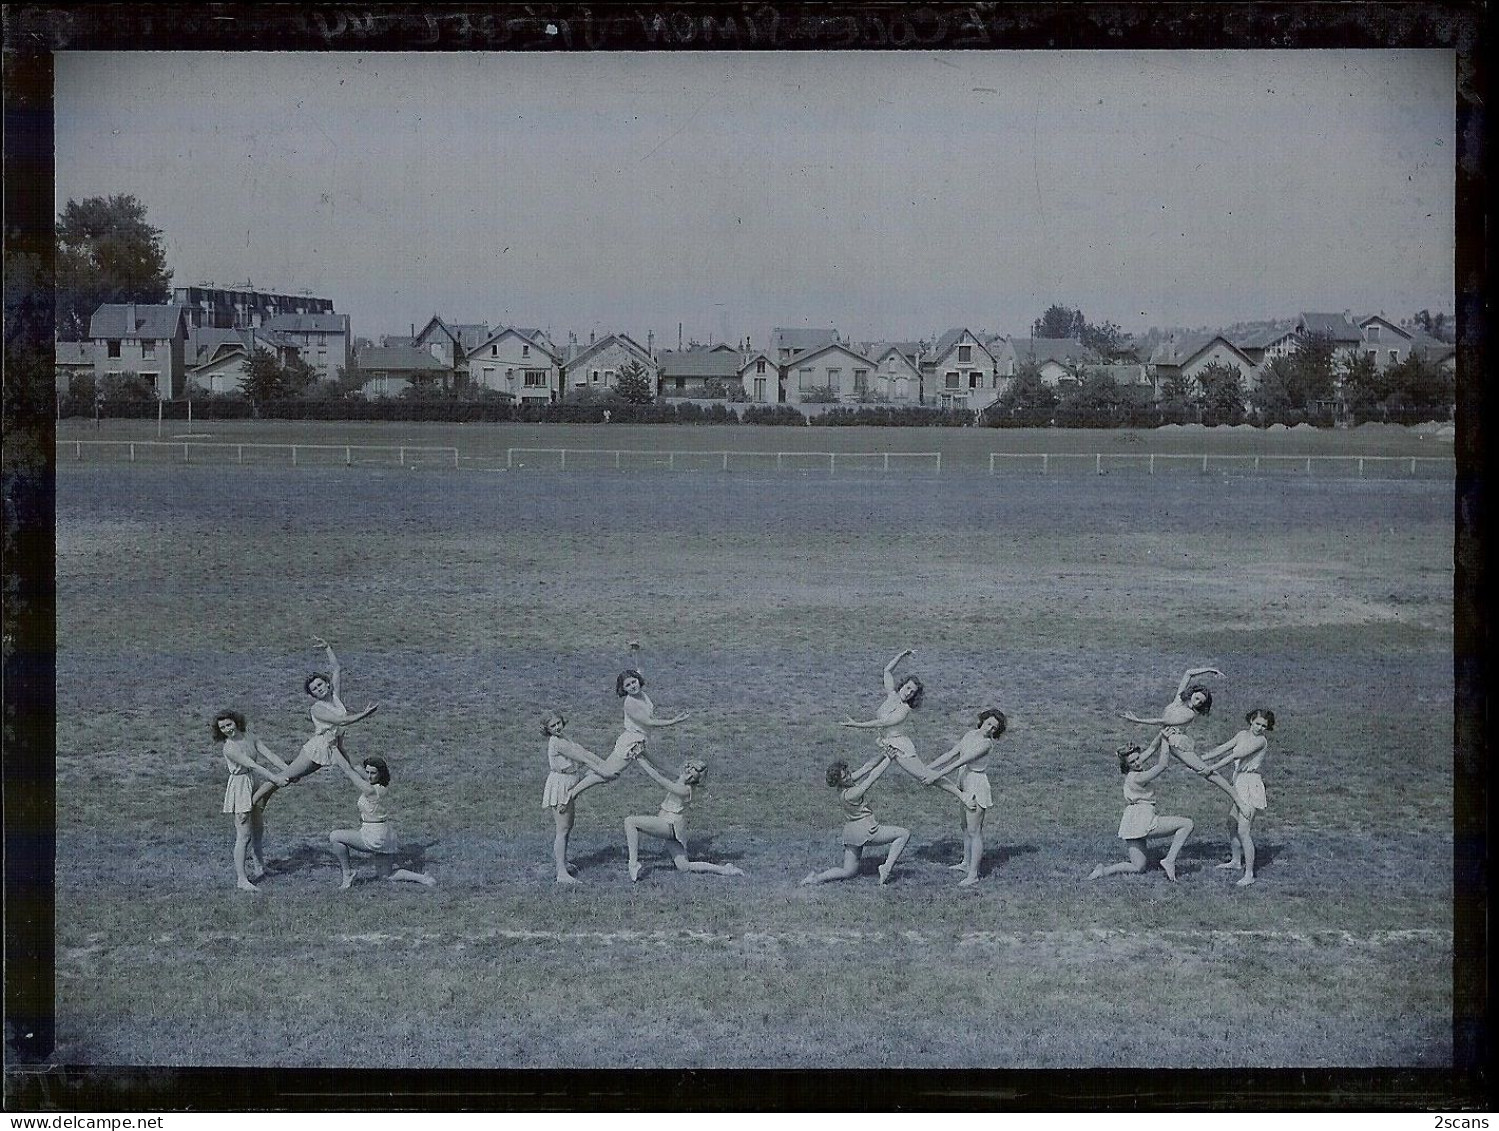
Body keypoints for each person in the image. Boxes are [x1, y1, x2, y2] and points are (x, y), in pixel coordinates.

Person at [253, 636, 378, 806]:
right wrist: (365, 714)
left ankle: (377, 785)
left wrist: (327, 647)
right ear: (312, 695)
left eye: (320, 685)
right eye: (314, 689)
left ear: (327, 684)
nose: (319, 689)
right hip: (316, 748)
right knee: (286, 776)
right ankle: (252, 801)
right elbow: (341, 721)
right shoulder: (317, 709)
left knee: (293, 777)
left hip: (331, 747)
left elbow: (337, 669)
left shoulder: (335, 698)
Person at [563, 669, 688, 805]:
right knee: (608, 775)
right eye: (628, 685)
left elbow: (638, 674)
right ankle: (573, 793)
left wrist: (637, 671)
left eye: (634, 682)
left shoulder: (641, 694)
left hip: (641, 739)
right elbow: (649, 722)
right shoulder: (630, 704)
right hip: (631, 742)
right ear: (623, 689)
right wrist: (674, 721)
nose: (633, 686)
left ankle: (682, 775)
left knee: (656, 762)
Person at [1089, 734, 1195, 882]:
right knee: (1187, 824)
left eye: (1138, 758)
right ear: (1127, 765)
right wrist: (1166, 741)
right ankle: (1169, 860)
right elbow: (1162, 765)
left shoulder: (1133, 771)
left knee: (1138, 867)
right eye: (1133, 762)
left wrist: (1162, 733)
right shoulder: (1138, 777)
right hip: (1143, 819)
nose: (1138, 762)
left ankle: (1103, 871)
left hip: (1132, 821)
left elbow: (1151, 748)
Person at [920, 709, 1007, 886]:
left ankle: (973, 874)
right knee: (965, 827)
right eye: (988, 723)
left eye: (994, 728)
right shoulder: (970, 734)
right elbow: (951, 754)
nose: (990, 729)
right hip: (965, 781)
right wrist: (927, 768)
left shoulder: (986, 745)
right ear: (982, 720)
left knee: (975, 831)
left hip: (977, 785)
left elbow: (960, 761)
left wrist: (935, 776)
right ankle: (966, 864)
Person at [624, 755, 745, 881]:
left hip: (669, 826)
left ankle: (633, 864)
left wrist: (639, 760)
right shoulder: (682, 777)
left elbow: (660, 779)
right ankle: (725, 869)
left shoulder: (686, 790)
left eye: (693, 777)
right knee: (684, 866)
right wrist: (643, 752)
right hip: (673, 829)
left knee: (630, 821)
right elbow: (660, 764)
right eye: (689, 772)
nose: (689, 776)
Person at [327, 751, 436, 890]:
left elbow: (348, 770)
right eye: (367, 772)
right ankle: (423, 878)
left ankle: (347, 873)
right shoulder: (378, 786)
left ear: (380, 774)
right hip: (386, 835)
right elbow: (354, 766)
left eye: (373, 773)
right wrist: (340, 744)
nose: (369, 776)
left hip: (374, 836)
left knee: (335, 836)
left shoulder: (371, 790)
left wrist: (332, 748)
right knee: (386, 875)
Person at [801, 752, 911, 886]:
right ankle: (886, 868)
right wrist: (889, 759)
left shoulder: (843, 786)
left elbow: (867, 767)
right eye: (845, 776)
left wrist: (884, 753)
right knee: (904, 834)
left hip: (851, 832)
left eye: (847, 773)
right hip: (866, 830)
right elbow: (872, 777)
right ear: (839, 781)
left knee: (848, 872)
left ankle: (816, 878)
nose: (848, 777)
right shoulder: (851, 794)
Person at [212, 710, 291, 892]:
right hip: (240, 786)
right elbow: (252, 764)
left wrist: (288, 770)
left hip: (252, 781)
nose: (227, 730)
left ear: (236, 722)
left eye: (229, 725)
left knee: (258, 828)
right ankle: (242, 879)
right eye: (222, 728)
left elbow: (268, 754)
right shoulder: (229, 747)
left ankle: (260, 866)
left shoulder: (249, 736)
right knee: (244, 834)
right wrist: (275, 778)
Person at [1199, 708, 1276, 886]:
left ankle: (1249, 874)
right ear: (1250, 720)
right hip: (1239, 782)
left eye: (1264, 726)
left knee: (1243, 830)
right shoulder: (1241, 734)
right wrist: (1201, 758)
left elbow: (1236, 755)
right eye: (1257, 723)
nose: (1259, 728)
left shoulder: (1261, 741)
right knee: (1232, 824)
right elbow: (1224, 748)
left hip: (1251, 785)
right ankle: (1235, 861)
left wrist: (1212, 768)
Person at [540, 711, 618, 884]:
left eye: (558, 723)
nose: (557, 727)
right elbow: (583, 759)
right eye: (552, 726)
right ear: (547, 729)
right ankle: (561, 873)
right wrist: (606, 772)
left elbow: (585, 753)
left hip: (568, 783)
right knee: (562, 829)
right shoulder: (557, 743)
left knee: (567, 827)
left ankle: (563, 863)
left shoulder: (564, 738)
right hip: (560, 785)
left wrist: (606, 764)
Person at [1119, 665, 1226, 776]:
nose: (1197, 702)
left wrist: (1138, 720)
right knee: (1149, 750)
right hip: (1165, 733)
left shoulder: (1190, 713)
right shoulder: (1178, 700)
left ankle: (1210, 768)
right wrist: (1209, 670)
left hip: (1175, 738)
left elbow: (1161, 721)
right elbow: (1188, 673)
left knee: (1202, 769)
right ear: (1193, 693)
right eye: (1197, 698)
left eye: (1201, 702)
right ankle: (1129, 773)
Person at [840, 648, 926, 779]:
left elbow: (882, 723)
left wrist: (856, 724)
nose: (909, 693)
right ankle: (848, 782)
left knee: (924, 776)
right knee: (870, 766)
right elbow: (887, 671)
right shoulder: (892, 695)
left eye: (912, 692)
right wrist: (901, 655)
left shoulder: (904, 709)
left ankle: (960, 792)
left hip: (899, 746)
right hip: (887, 742)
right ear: (902, 685)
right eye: (908, 688)